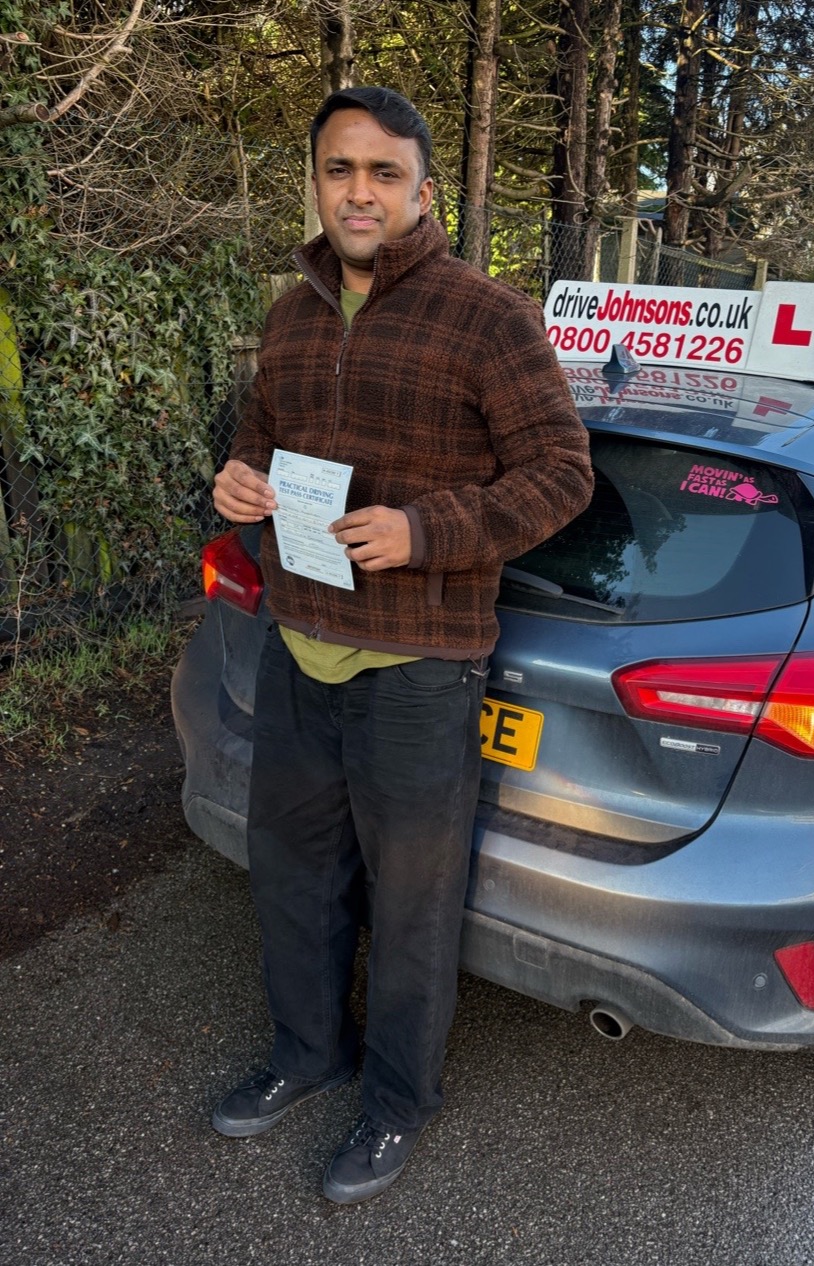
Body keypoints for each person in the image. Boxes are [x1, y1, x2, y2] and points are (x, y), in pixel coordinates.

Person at [209, 86, 593, 1205]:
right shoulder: (289, 316)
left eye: (384, 173)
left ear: (423, 192)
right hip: (298, 645)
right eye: (340, 169)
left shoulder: (487, 317)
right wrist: (238, 484)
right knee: (292, 877)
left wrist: (426, 532)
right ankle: (305, 1054)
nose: (360, 192)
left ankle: (394, 1103)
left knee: (413, 906)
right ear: (316, 184)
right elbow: (259, 444)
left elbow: (562, 473)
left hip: (420, 667)